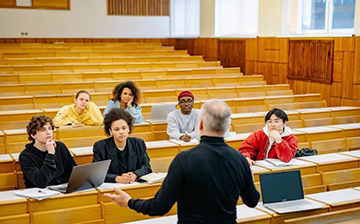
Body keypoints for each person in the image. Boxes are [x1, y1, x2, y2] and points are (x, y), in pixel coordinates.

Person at [105, 100, 260, 224]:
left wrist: (129, 202)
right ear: (227, 126)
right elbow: (252, 201)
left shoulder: (185, 159)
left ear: (200, 125)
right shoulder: (239, 159)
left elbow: (159, 207)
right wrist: (248, 178)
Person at [93, 108, 152, 184]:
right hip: (111, 188)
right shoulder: (100, 147)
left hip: (133, 184)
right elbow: (97, 173)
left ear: (129, 128)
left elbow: (147, 167)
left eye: (124, 128)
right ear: (110, 131)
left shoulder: (138, 143)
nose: (121, 132)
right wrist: (118, 178)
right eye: (116, 129)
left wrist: (135, 175)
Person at [19, 115, 77, 188]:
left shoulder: (61, 147)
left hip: (61, 190)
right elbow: (41, 181)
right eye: (43, 130)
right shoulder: (25, 156)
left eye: (50, 128)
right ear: (33, 135)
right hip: (39, 194)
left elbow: (74, 173)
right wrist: (51, 154)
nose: (48, 132)